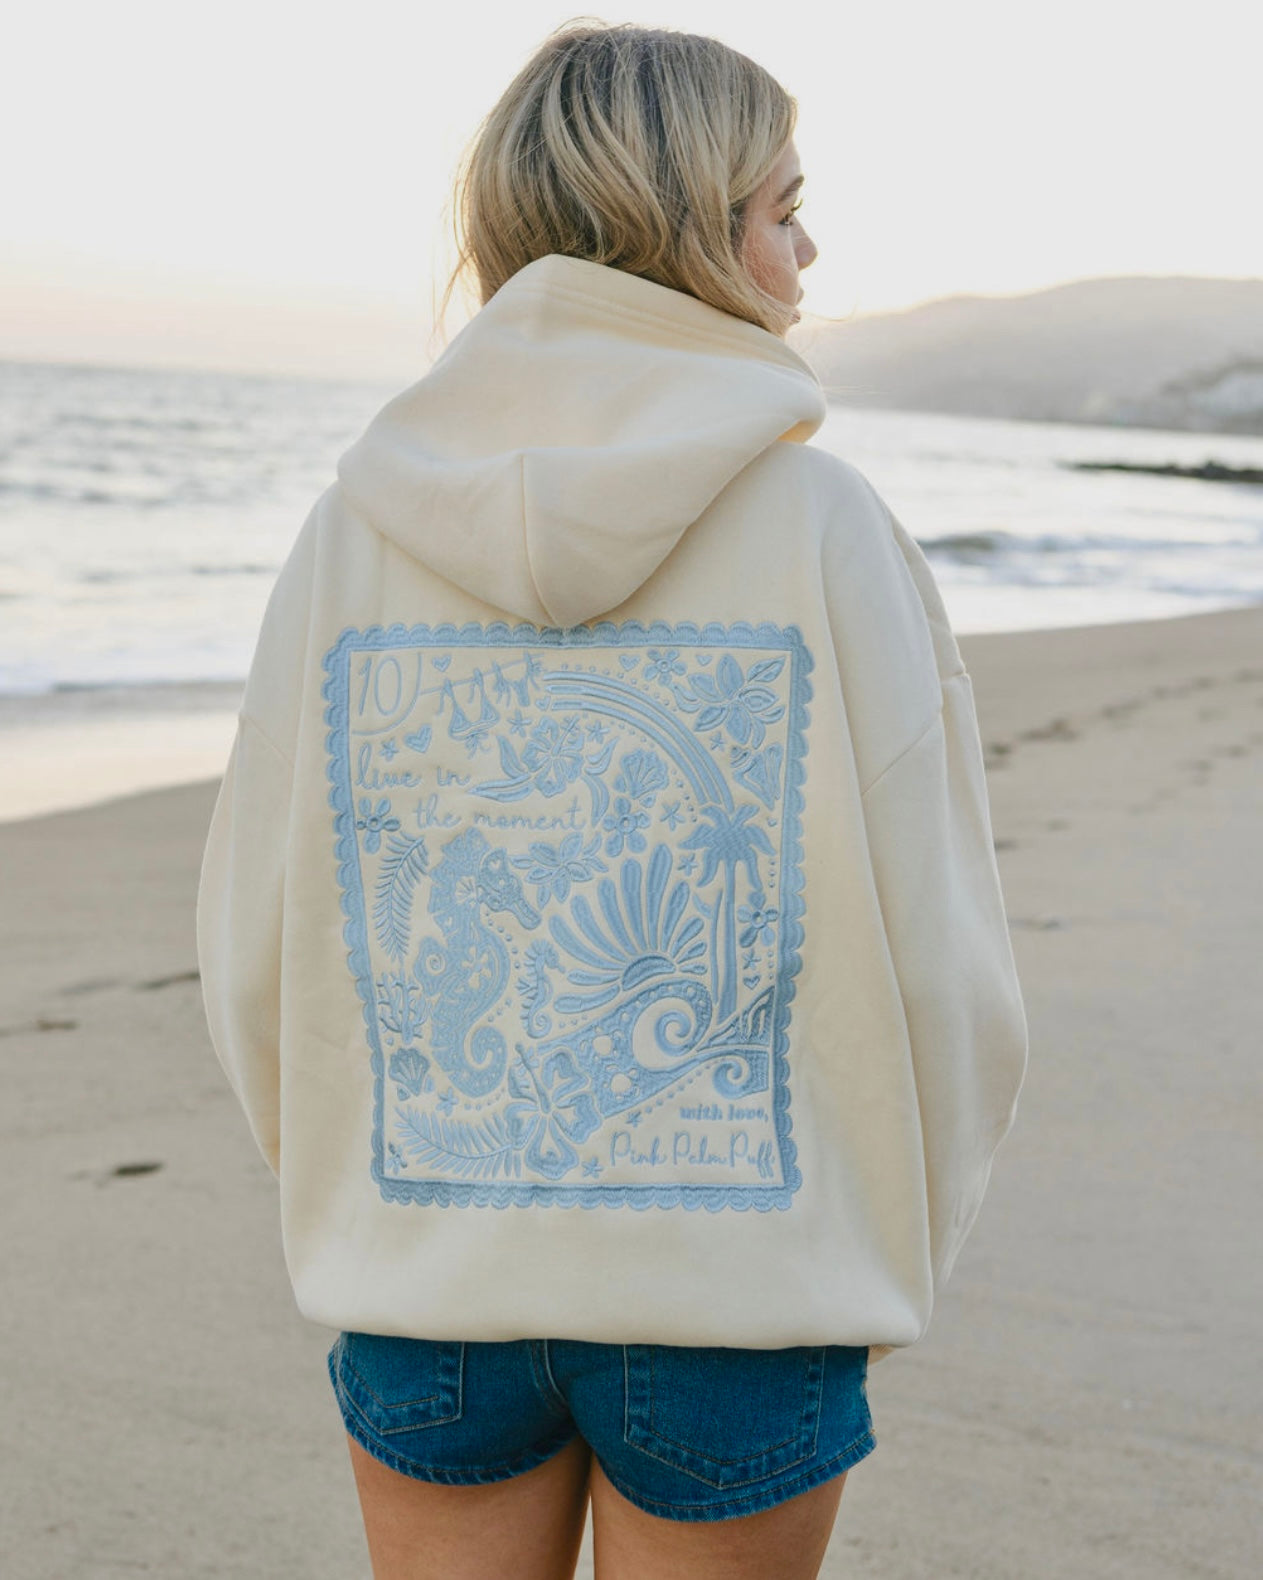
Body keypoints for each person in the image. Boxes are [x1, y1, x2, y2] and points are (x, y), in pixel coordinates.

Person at [196, 21, 1028, 1580]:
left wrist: (366, 1200)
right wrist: (875, 1253)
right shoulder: (826, 526)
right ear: (690, 228)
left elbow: (255, 939)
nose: (808, 252)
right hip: (747, 1295)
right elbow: (949, 968)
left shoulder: (354, 531)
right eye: (784, 209)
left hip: (431, 1289)